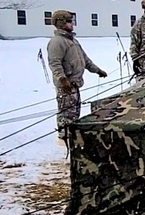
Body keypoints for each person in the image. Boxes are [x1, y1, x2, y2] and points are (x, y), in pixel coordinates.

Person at [46, 10, 107, 141]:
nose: (72, 23)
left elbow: (85, 60)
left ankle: (72, 136)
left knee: (74, 113)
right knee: (66, 113)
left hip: (75, 83)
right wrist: (62, 80)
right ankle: (64, 138)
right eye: (68, 21)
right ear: (61, 23)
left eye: (71, 20)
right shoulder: (57, 42)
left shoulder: (73, 41)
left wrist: (97, 71)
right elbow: (54, 63)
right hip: (66, 85)